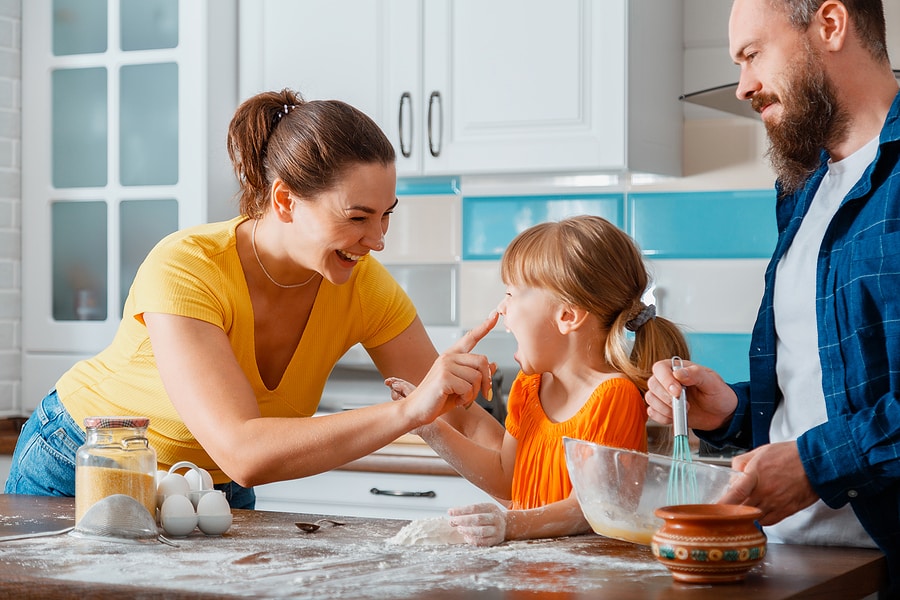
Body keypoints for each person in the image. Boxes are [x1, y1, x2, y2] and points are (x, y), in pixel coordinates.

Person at [5, 89, 494, 508]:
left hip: (211, 487)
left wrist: (553, 465)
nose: (378, 239)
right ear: (284, 201)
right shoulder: (187, 266)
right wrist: (408, 412)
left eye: (386, 215)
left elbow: (463, 419)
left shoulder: (364, 284)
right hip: (82, 464)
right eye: (358, 217)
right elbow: (245, 451)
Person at [645, 0, 900, 587]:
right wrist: (734, 412)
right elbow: (819, 389)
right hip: (787, 565)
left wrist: (816, 466)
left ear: (830, 25)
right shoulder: (804, 188)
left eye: (753, 55)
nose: (743, 86)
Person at [388, 215, 690, 546]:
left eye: (512, 293)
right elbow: (507, 479)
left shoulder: (613, 396)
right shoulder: (529, 387)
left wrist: (510, 524)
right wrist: (427, 424)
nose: (502, 308)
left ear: (567, 316)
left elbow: (589, 509)